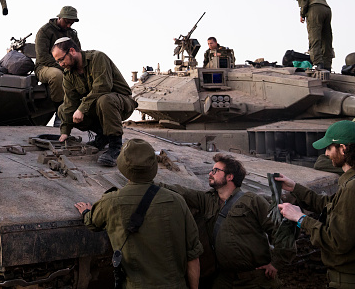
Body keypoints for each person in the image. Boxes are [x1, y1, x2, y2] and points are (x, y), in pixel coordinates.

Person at [75, 139, 203, 289]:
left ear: (123, 167)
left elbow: (92, 223)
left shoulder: (111, 201)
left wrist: (85, 211)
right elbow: (193, 256)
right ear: (153, 167)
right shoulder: (177, 201)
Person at [163, 153, 290, 288]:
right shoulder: (207, 200)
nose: (210, 174)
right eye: (211, 170)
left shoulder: (252, 201)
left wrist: (275, 263)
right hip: (225, 279)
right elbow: (181, 192)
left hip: (255, 279)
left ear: (230, 176)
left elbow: (282, 231)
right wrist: (147, 183)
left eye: (216, 171)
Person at [278, 120, 355, 289]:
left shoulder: (354, 188)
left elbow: (337, 241)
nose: (325, 154)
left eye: (329, 148)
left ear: (343, 148)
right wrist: (295, 187)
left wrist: (300, 218)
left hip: (350, 281)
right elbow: (331, 205)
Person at [52, 38, 137, 166]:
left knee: (104, 100)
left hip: (120, 103)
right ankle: (103, 136)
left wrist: (81, 109)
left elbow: (102, 87)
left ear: (72, 51)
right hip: (97, 106)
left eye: (61, 59)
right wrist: (65, 131)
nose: (60, 64)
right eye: (57, 61)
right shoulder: (69, 74)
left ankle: (115, 147)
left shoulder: (97, 58)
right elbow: (70, 102)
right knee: (63, 109)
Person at [34, 6, 82, 119]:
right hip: (44, 67)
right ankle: (60, 114)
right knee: (57, 76)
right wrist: (64, 67)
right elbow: (43, 57)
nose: (69, 25)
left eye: (71, 23)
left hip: (67, 67)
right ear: (59, 17)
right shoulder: (45, 31)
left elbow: (78, 52)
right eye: (66, 22)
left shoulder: (72, 34)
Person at [294, 0, 333, 71]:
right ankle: (327, 65)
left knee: (314, 37)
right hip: (327, 10)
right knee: (326, 38)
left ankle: (318, 63)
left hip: (315, 9)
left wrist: (302, 14)